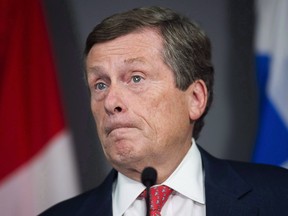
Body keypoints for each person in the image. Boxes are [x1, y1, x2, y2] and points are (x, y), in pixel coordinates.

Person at [40, 6, 288, 216]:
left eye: (136, 78)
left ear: (195, 99)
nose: (110, 101)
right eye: (100, 84)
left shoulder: (279, 196)